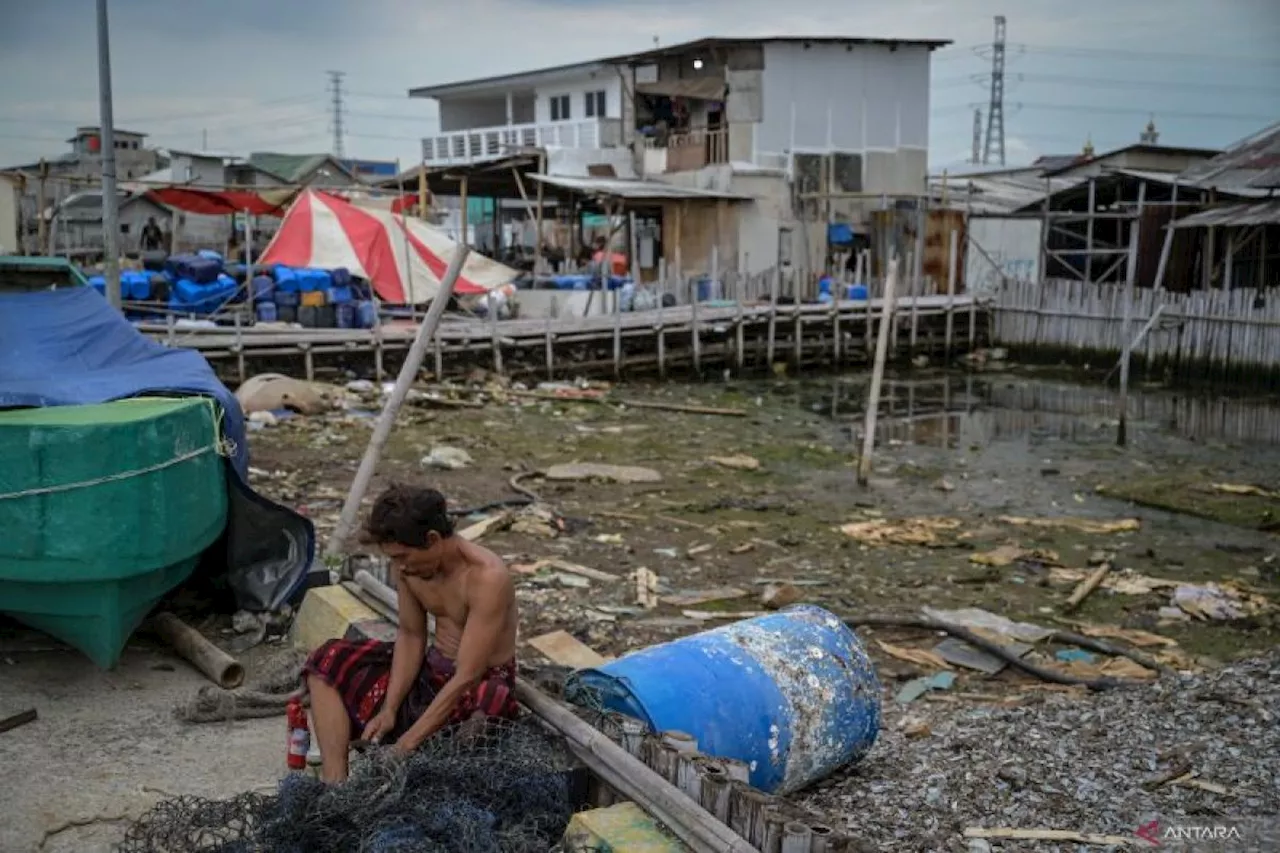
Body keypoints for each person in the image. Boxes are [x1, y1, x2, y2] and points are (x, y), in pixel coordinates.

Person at [302, 485, 519, 782]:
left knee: (483, 712)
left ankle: (415, 748)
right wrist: (389, 709)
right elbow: (411, 635)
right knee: (327, 661)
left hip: (475, 684)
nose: (399, 567)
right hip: (431, 671)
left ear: (432, 539)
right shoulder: (409, 570)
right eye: (393, 558)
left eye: (404, 556)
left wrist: (407, 743)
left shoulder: (486, 577)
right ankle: (335, 787)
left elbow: (468, 674)